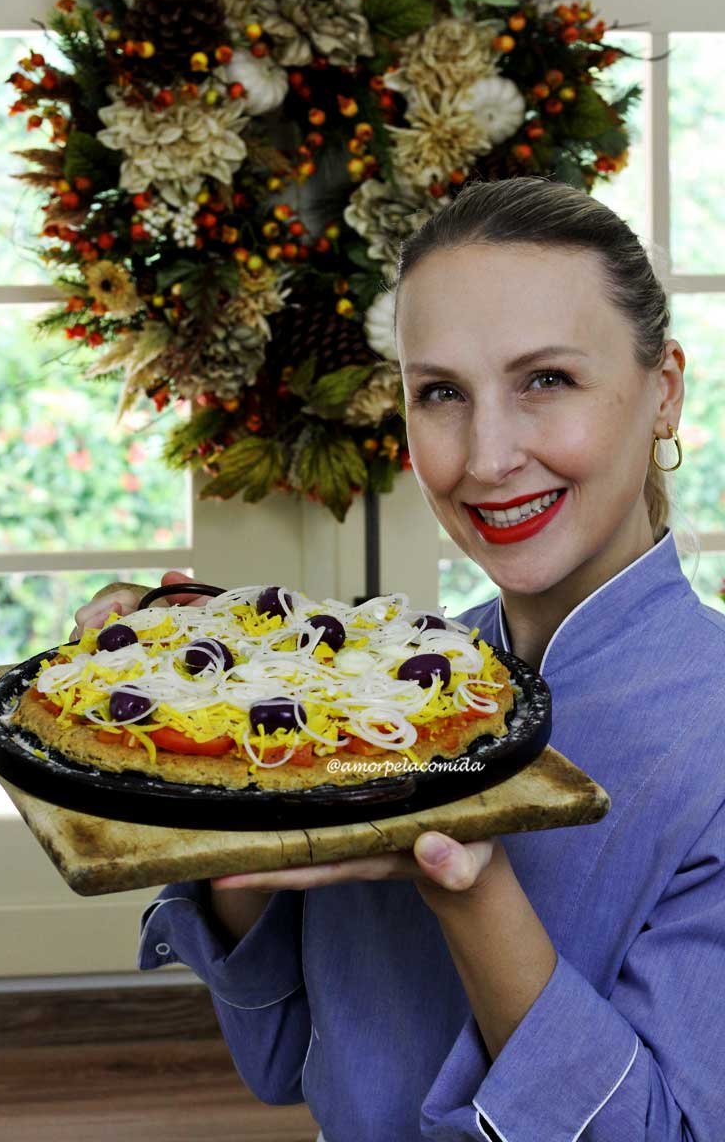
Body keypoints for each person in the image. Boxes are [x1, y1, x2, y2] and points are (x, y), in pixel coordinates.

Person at [71, 176, 725, 1142]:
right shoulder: (389, 690)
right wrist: (205, 732)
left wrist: (467, 878)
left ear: (664, 390)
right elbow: (283, 1055)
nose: (487, 455)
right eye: (442, 395)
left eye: (547, 381)